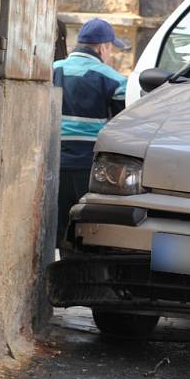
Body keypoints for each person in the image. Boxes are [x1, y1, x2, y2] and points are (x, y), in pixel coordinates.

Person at [53, 18, 127, 242]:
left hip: (52, 162)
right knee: (84, 232)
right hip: (88, 167)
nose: (111, 54)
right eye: (111, 48)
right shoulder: (115, 80)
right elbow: (121, 126)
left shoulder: (51, 70)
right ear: (103, 47)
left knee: (53, 228)